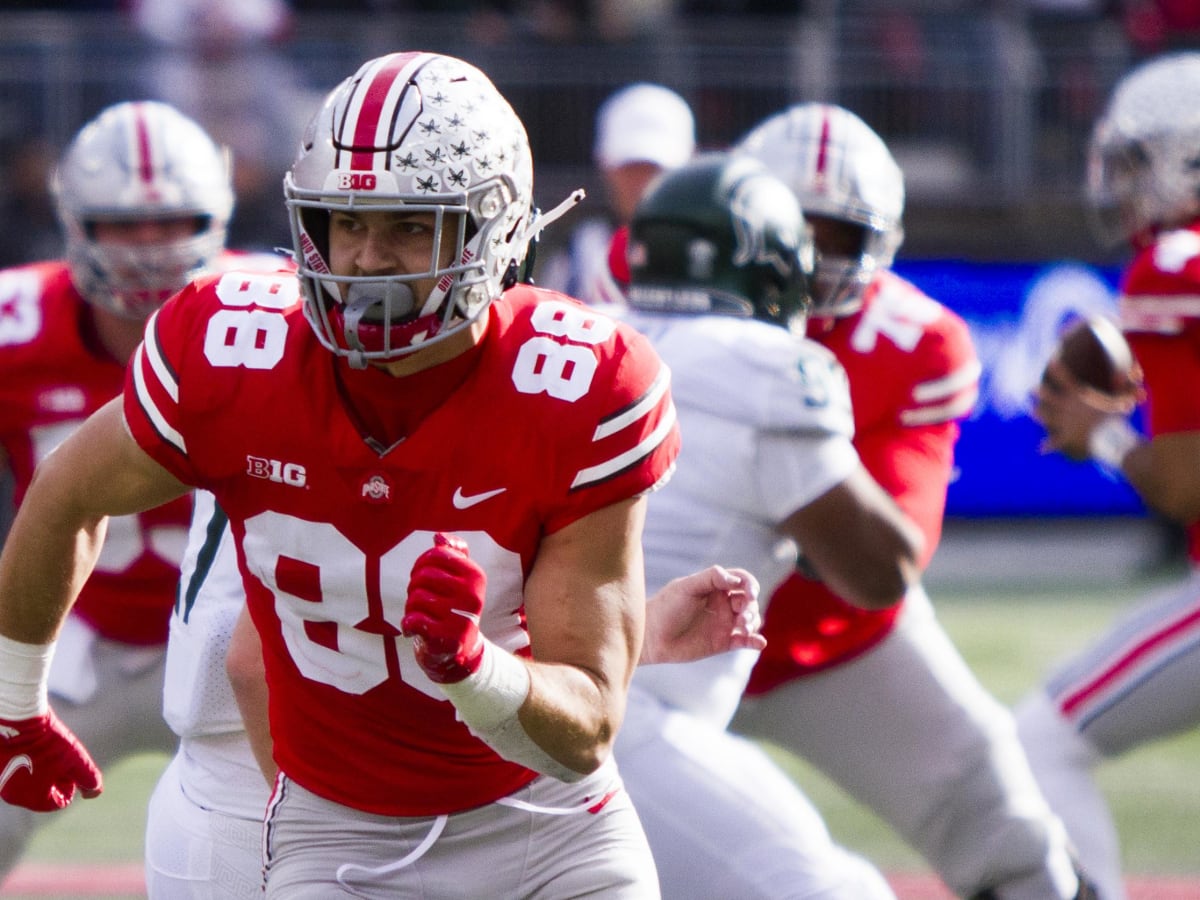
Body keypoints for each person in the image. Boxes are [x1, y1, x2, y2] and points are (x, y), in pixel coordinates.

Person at [0, 50, 684, 899]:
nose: (363, 260)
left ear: (493, 228)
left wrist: (476, 669)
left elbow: (585, 729)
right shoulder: (233, 350)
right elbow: (65, 494)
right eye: (344, 223)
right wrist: (13, 698)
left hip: (547, 823)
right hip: (337, 837)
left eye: (407, 226)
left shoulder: (579, 385)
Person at [727, 102, 1096, 900]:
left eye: (839, 237)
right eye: (796, 231)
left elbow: (884, 559)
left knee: (1015, 843)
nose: (815, 261)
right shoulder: (650, 299)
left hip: (833, 642)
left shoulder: (913, 341)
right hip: (655, 647)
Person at [612, 150, 923, 899]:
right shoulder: (772, 367)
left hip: (517, 696)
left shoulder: (590, 331)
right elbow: (882, 571)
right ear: (768, 268)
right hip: (625, 716)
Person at [0, 99, 258, 879]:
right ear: (76, 223)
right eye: (123, 224)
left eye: (173, 221)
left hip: (237, 642)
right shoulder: (18, 321)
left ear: (215, 215)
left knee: (312, 846)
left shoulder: (276, 310)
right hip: (73, 639)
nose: (149, 249)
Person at [1019, 50, 1200, 900]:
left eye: (1139, 163)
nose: (1124, 184)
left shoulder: (1175, 266)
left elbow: (1184, 486)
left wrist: (1101, 434)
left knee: (1046, 738)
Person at [538, 82, 695, 307]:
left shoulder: (709, 254)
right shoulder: (578, 253)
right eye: (630, 169)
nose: (642, 182)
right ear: (604, 165)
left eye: (654, 169)